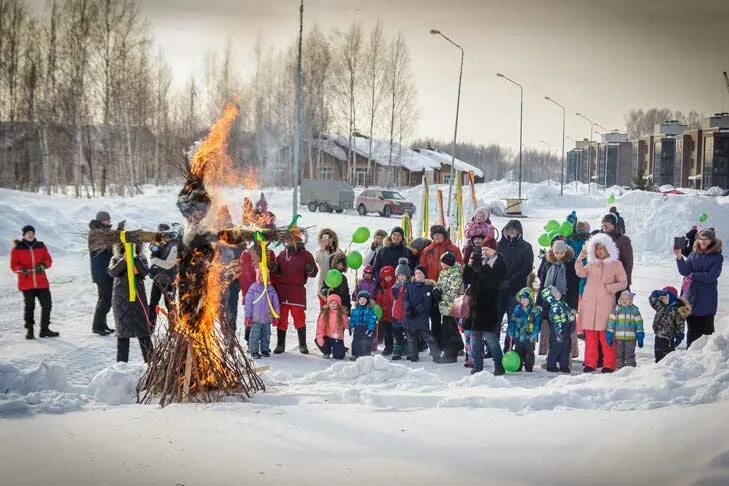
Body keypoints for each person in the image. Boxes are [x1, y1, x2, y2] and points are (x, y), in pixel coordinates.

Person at [575, 233, 628, 373]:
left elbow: (623, 282)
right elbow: (581, 273)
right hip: (589, 305)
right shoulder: (591, 263)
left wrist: (609, 288)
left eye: (602, 248)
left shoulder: (616, 264)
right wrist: (580, 259)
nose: (599, 251)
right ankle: (590, 363)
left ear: (608, 249)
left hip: (605, 305)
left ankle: (609, 364)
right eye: (597, 249)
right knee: (590, 338)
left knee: (606, 337)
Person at [463, 236, 506, 375]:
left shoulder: (500, 263)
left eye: (487, 249)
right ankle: (477, 365)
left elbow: (493, 282)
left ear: (494, 250)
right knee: (475, 339)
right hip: (475, 305)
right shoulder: (478, 261)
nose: (485, 252)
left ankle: (499, 365)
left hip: (489, 306)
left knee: (491, 339)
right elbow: (467, 279)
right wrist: (469, 265)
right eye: (483, 249)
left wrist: (481, 268)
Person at [675, 228, 723, 347]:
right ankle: (690, 357)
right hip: (690, 298)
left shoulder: (717, 257)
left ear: (712, 240)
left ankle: (706, 359)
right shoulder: (693, 254)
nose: (703, 241)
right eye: (701, 238)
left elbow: (711, 276)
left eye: (706, 239)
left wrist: (693, 275)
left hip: (706, 299)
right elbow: (684, 271)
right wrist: (679, 258)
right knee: (692, 332)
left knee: (707, 333)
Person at [271, 234, 318, 354]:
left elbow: (314, 272)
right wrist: (274, 268)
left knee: (299, 319)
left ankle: (302, 344)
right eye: (289, 241)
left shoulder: (305, 255)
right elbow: (278, 272)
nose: (290, 243)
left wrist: (310, 269)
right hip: (282, 291)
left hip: (297, 292)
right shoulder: (282, 254)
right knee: (282, 319)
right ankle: (280, 344)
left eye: (293, 241)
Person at [10, 225, 58, 339]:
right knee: (29, 306)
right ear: (24, 235)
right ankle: (30, 330)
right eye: (28, 233)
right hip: (26, 283)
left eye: (32, 232)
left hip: (41, 282)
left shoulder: (41, 245)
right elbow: (13, 265)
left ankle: (44, 329)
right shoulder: (17, 248)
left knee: (47, 305)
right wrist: (22, 269)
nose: (30, 234)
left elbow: (48, 260)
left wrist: (42, 265)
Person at [108, 243, 152, 363]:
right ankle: (121, 367)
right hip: (121, 300)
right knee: (123, 334)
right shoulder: (115, 258)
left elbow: (144, 272)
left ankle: (151, 363)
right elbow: (112, 272)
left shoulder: (141, 258)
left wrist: (134, 259)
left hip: (138, 299)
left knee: (143, 333)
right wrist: (124, 260)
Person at [420, 225, 463, 348]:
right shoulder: (427, 250)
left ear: (444, 235)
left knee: (449, 320)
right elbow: (423, 267)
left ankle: (456, 345)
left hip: (450, 289)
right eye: (435, 234)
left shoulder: (453, 249)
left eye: (440, 233)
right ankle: (437, 344)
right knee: (434, 318)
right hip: (433, 288)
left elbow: (459, 266)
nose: (437, 236)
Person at [536, 238, 579, 358]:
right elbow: (543, 283)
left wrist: (573, 306)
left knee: (565, 331)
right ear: (552, 252)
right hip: (549, 302)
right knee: (551, 331)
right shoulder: (548, 263)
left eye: (562, 253)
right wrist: (538, 302)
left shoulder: (570, 264)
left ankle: (566, 357)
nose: (559, 255)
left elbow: (573, 287)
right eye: (556, 253)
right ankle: (551, 357)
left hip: (564, 302)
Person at [497, 220, 535, 350]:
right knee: (496, 319)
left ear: (519, 231)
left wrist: (511, 280)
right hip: (499, 288)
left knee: (513, 320)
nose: (511, 231)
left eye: (514, 229)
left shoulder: (526, 247)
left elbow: (527, 267)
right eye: (509, 229)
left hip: (516, 289)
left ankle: (508, 347)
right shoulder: (499, 245)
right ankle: (492, 348)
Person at [240, 240, 277, 342]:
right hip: (252, 292)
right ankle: (250, 341)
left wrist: (273, 267)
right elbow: (243, 275)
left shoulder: (270, 253)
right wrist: (245, 294)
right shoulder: (247, 254)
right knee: (251, 317)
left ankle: (263, 343)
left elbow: (275, 274)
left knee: (264, 316)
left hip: (266, 292)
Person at [402, 266, 440, 362]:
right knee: (411, 338)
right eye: (416, 273)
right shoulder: (409, 286)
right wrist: (409, 308)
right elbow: (405, 299)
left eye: (420, 273)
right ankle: (413, 355)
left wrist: (416, 310)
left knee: (428, 337)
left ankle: (436, 355)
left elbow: (426, 303)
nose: (418, 275)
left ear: (424, 275)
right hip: (409, 316)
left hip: (421, 316)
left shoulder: (427, 288)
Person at [88, 211, 115, 335]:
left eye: (108, 220)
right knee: (105, 300)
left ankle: (102, 324)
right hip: (101, 271)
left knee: (104, 299)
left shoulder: (104, 232)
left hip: (106, 270)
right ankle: (97, 326)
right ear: (100, 220)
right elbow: (103, 248)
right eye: (105, 220)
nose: (107, 222)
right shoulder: (95, 233)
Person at [433, 252, 463, 363]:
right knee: (450, 328)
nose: (441, 264)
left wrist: (441, 295)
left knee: (449, 330)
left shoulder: (456, 273)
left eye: (443, 262)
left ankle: (450, 354)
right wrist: (436, 289)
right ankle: (459, 346)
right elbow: (439, 283)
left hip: (453, 306)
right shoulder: (443, 273)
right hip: (445, 306)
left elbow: (453, 290)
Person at [244, 268, 280, 359]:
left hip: (267, 318)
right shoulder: (253, 288)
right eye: (261, 276)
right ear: (258, 276)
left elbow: (275, 304)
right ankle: (254, 351)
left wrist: (276, 316)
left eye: (266, 276)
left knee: (266, 334)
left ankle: (265, 349)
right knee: (255, 335)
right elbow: (248, 303)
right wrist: (248, 316)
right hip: (256, 318)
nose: (263, 278)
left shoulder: (271, 289)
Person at [148, 224, 178, 328]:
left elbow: (169, 264)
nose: (161, 235)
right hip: (158, 279)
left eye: (162, 233)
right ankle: (150, 326)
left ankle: (173, 329)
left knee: (170, 306)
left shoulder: (173, 245)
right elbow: (152, 251)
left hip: (170, 281)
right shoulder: (159, 242)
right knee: (153, 304)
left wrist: (154, 261)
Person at [540, 286, 576, 373]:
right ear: (551, 297)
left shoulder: (562, 303)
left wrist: (571, 316)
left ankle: (564, 365)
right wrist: (559, 332)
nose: (558, 292)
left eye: (557, 291)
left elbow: (568, 311)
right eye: (555, 292)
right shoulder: (555, 306)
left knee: (566, 348)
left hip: (566, 328)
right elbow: (556, 321)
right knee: (556, 348)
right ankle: (551, 365)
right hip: (558, 330)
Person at [649, 287, 690, 362]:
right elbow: (652, 300)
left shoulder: (677, 310)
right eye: (662, 298)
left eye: (665, 298)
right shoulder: (660, 306)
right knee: (658, 355)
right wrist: (655, 293)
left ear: (671, 297)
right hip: (658, 336)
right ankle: (657, 369)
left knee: (667, 357)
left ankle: (667, 369)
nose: (662, 300)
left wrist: (679, 335)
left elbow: (680, 324)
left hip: (669, 338)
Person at [506, 288, 541, 372]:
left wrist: (534, 334)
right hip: (518, 336)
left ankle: (529, 366)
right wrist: (511, 331)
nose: (523, 301)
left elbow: (537, 325)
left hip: (529, 337)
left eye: (525, 299)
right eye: (522, 299)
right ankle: (518, 365)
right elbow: (512, 321)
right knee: (518, 352)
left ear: (530, 299)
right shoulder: (517, 309)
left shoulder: (535, 311)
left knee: (529, 353)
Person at [606, 290, 644, 369]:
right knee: (619, 354)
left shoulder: (634, 310)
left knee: (629, 354)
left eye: (626, 299)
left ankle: (630, 368)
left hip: (631, 338)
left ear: (630, 300)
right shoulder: (616, 310)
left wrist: (640, 335)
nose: (624, 301)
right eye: (622, 299)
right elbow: (611, 322)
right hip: (618, 337)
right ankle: (619, 368)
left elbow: (639, 323)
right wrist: (610, 333)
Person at [601, 212, 633, 289]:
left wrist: (626, 282)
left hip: (618, 280)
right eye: (603, 222)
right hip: (603, 282)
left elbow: (628, 263)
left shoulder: (623, 240)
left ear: (614, 225)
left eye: (607, 222)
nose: (604, 224)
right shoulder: (599, 239)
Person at [315, 294, 349, 360]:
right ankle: (327, 351)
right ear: (328, 304)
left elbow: (346, 325)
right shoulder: (325, 313)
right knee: (319, 340)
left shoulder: (342, 314)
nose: (333, 305)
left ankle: (338, 349)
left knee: (339, 356)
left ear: (338, 304)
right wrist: (320, 337)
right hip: (327, 336)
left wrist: (349, 323)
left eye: (335, 303)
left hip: (337, 337)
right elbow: (320, 327)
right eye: (331, 303)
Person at [390, 259, 411, 360]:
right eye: (399, 275)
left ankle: (408, 349)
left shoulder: (410, 286)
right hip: (396, 314)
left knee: (408, 333)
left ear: (407, 275)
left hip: (406, 314)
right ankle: (397, 350)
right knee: (397, 334)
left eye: (403, 275)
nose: (401, 277)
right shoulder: (395, 287)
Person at [349, 290, 377, 360]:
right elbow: (352, 318)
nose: (362, 301)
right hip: (357, 327)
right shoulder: (355, 310)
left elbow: (372, 320)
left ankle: (366, 354)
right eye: (360, 299)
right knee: (356, 341)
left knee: (366, 341)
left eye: (364, 299)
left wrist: (371, 328)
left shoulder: (370, 310)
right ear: (358, 300)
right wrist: (351, 326)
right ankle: (355, 354)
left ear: (367, 300)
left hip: (366, 328)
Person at [374, 265, 396, 356]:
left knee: (397, 333)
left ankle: (398, 347)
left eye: (389, 276)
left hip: (394, 315)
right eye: (385, 277)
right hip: (384, 316)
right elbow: (378, 302)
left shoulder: (396, 287)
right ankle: (388, 347)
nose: (388, 278)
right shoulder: (380, 289)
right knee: (387, 334)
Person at [315, 228, 339, 307]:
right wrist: (323, 249)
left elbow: (343, 266)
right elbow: (320, 262)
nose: (327, 240)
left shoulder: (338, 252)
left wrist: (334, 248)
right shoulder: (319, 252)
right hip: (323, 285)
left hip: (337, 285)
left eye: (329, 238)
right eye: (324, 238)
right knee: (324, 311)